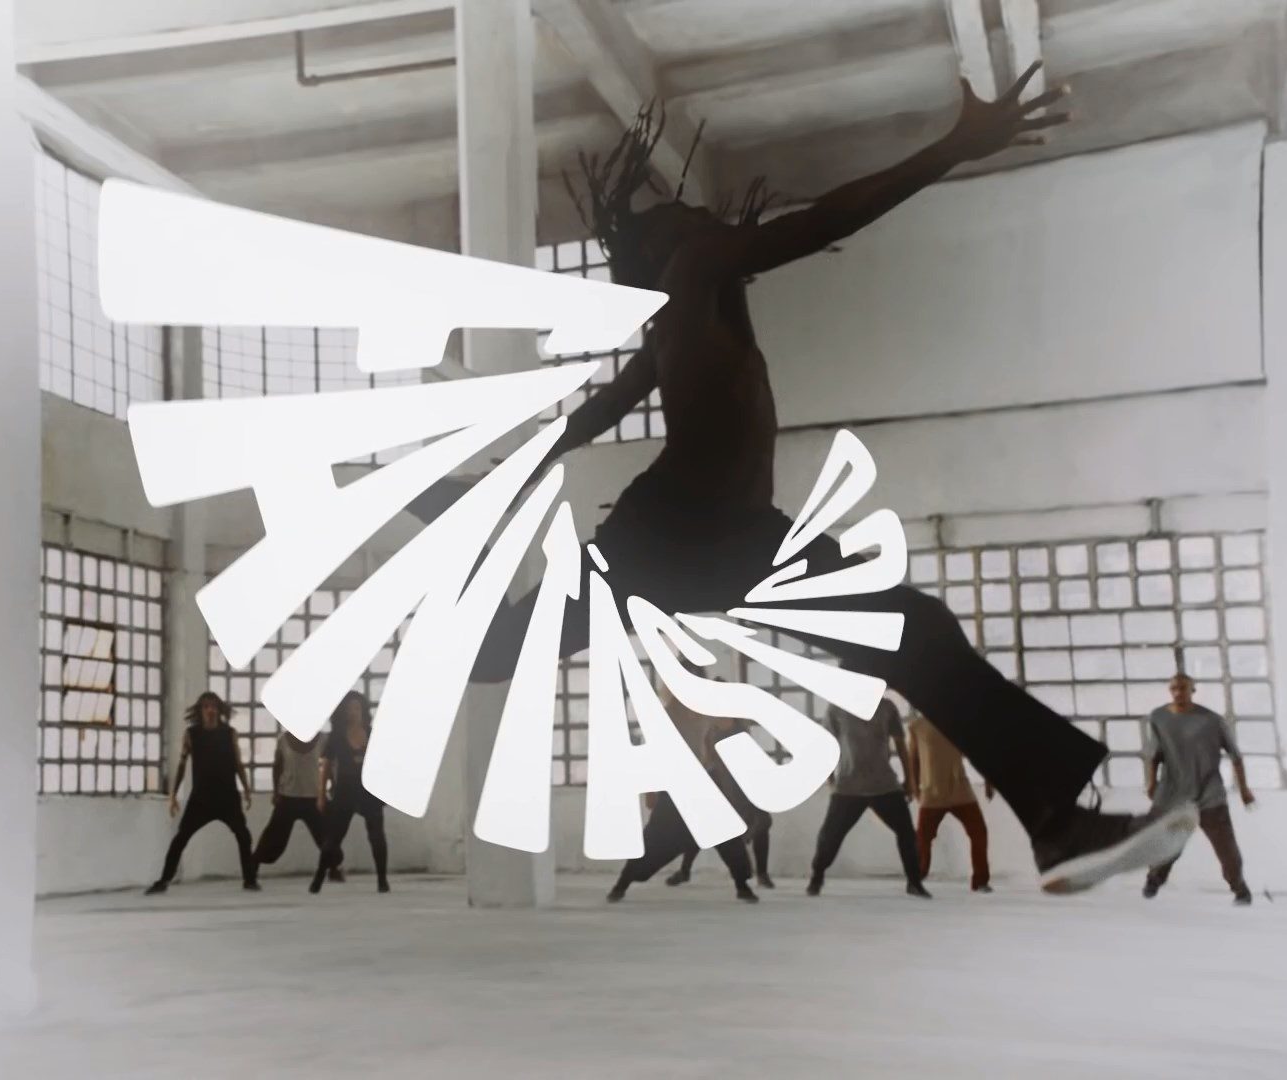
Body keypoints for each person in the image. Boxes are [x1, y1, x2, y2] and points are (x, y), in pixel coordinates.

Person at [409, 64, 1199, 894]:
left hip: (740, 542)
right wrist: (951, 149)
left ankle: (1057, 825)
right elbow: (822, 221)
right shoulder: (692, 267)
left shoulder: (689, 312)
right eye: (672, 213)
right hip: (670, 530)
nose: (693, 211)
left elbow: (608, 403)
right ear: (661, 247)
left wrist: (528, 459)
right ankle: (452, 551)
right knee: (499, 654)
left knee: (914, 631)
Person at [607, 682, 760, 904]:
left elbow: (727, 727)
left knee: (728, 836)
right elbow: (652, 754)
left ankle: (742, 885)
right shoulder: (665, 717)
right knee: (654, 840)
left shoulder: (707, 712)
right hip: (676, 788)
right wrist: (650, 790)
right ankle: (623, 882)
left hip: (705, 787)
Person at [1142, 674, 1256, 905]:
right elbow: (1154, 755)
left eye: (1183, 689)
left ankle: (1240, 889)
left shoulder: (1211, 721)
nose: (1178, 693)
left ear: (1192, 690)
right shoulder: (1159, 718)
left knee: (1227, 850)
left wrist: (1244, 790)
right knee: (1166, 844)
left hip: (1209, 796)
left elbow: (1236, 756)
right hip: (1173, 796)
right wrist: (1151, 783)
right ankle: (1154, 880)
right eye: (1174, 689)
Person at [808, 697, 928, 898]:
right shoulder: (837, 708)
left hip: (884, 784)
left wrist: (910, 781)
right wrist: (830, 779)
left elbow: (901, 745)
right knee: (830, 836)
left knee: (907, 833)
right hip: (849, 786)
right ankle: (817, 876)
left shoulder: (886, 707)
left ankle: (914, 882)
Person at [146, 691, 259, 895]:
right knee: (181, 838)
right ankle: (163, 880)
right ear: (200, 710)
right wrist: (173, 795)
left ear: (219, 709)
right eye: (206, 707)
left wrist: (247, 789)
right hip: (201, 798)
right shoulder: (192, 734)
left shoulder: (229, 733)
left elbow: (238, 763)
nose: (210, 710)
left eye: (213, 706)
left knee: (244, 836)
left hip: (227, 797)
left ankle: (250, 880)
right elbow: (182, 765)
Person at [309, 691, 391, 894]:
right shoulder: (336, 736)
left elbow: (384, 764)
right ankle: (319, 877)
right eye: (349, 709)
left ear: (363, 710)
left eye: (356, 707)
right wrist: (321, 795)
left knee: (377, 836)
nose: (353, 712)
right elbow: (325, 766)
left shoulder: (372, 733)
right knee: (333, 838)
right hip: (345, 790)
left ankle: (382, 880)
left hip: (369, 790)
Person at [907, 705, 994, 893]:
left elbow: (978, 754)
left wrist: (988, 781)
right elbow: (913, 759)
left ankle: (980, 881)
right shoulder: (917, 727)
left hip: (959, 789)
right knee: (923, 838)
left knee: (978, 832)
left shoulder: (958, 725)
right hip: (932, 792)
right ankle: (917, 877)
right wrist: (915, 789)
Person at [251, 729, 345, 883]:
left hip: (314, 797)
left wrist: (333, 784)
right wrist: (275, 792)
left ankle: (334, 868)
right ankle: (253, 866)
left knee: (326, 834)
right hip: (288, 797)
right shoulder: (283, 740)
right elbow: (277, 766)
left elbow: (330, 764)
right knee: (273, 837)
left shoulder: (322, 739)